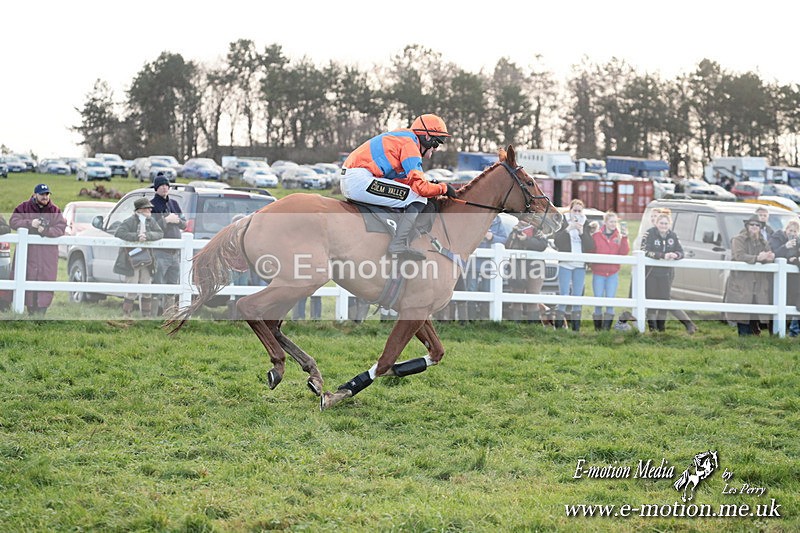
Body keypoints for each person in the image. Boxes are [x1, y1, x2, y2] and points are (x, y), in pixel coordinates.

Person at [340, 113, 457, 260]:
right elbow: (420, 189)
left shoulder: (403, 138)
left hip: (354, 178)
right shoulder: (410, 145)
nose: (436, 149)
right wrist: (444, 188)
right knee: (418, 198)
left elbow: (402, 182)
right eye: (437, 143)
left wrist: (432, 186)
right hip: (359, 180)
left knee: (412, 194)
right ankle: (398, 244)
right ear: (427, 138)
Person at [3, 184, 67, 315]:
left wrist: (46, 231)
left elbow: (61, 228)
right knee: (26, 277)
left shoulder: (55, 210)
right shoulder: (24, 207)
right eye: (42, 194)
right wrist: (30, 223)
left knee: (46, 280)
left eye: (47, 194)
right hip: (28, 253)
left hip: (47, 256)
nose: (45, 197)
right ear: (35, 195)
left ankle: (41, 313)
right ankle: (28, 311)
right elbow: (13, 221)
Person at [113, 198, 163, 317]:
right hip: (131, 259)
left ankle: (146, 316)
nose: (150, 210)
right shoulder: (129, 221)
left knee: (147, 287)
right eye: (147, 208)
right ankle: (127, 316)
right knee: (132, 287)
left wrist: (148, 236)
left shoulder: (151, 221)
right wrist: (136, 237)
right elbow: (119, 232)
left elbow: (160, 233)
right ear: (139, 210)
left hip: (147, 259)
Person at [725, 215, 775, 335]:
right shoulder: (738, 239)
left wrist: (770, 258)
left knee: (756, 306)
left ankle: (754, 335)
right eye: (752, 224)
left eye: (757, 225)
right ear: (747, 226)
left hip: (759, 282)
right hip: (741, 281)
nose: (754, 227)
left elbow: (768, 254)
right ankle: (744, 338)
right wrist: (757, 258)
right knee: (742, 308)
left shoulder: (763, 241)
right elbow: (739, 256)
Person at [553, 199, 595, 330]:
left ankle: (575, 328)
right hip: (565, 263)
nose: (577, 213)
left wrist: (582, 232)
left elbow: (590, 246)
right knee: (564, 294)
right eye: (574, 210)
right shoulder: (563, 221)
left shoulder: (586, 223)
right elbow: (557, 242)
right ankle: (558, 327)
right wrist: (568, 229)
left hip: (580, 264)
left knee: (578, 295)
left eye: (579, 211)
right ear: (570, 210)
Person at [150, 173, 187, 315]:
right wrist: (166, 221)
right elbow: (152, 228)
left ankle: (169, 315)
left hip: (175, 252)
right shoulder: (152, 205)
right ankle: (152, 315)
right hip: (160, 252)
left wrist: (177, 221)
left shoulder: (174, 204)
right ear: (156, 188)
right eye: (161, 185)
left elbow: (184, 224)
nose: (164, 188)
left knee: (172, 285)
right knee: (157, 283)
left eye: (166, 185)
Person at [641, 212, 684, 332]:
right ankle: (652, 329)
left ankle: (661, 328)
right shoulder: (649, 233)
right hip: (651, 273)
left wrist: (676, 255)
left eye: (666, 223)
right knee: (652, 300)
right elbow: (644, 250)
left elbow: (681, 252)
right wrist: (661, 255)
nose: (663, 226)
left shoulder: (673, 236)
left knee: (664, 300)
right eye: (661, 223)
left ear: (670, 224)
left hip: (666, 274)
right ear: (656, 223)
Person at [591, 211, 630, 331]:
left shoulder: (619, 236)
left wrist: (625, 238)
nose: (613, 224)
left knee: (610, 301)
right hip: (598, 273)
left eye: (615, 222)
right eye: (611, 221)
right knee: (598, 301)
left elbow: (624, 252)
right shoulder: (596, 236)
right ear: (605, 222)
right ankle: (598, 330)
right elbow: (591, 251)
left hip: (612, 274)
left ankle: (606, 330)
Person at [505, 218, 549, 323]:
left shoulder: (538, 231)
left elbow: (542, 245)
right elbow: (508, 246)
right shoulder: (515, 231)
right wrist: (514, 234)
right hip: (517, 267)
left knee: (533, 297)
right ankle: (515, 325)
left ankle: (532, 327)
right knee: (516, 298)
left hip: (535, 268)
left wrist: (526, 240)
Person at [465, 215, 510, 320]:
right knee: (471, 289)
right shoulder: (474, 219)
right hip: (473, 262)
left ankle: (484, 318)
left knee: (488, 290)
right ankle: (470, 319)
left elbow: (504, 239)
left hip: (490, 265)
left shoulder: (498, 221)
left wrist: (492, 237)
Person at [768, 219, 800, 336]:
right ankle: (775, 333)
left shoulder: (797, 241)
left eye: (795, 231)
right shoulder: (777, 238)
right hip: (776, 278)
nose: (792, 233)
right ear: (785, 230)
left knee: (792, 303)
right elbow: (774, 254)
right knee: (777, 302)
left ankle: (790, 332)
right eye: (790, 230)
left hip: (792, 279)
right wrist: (785, 247)